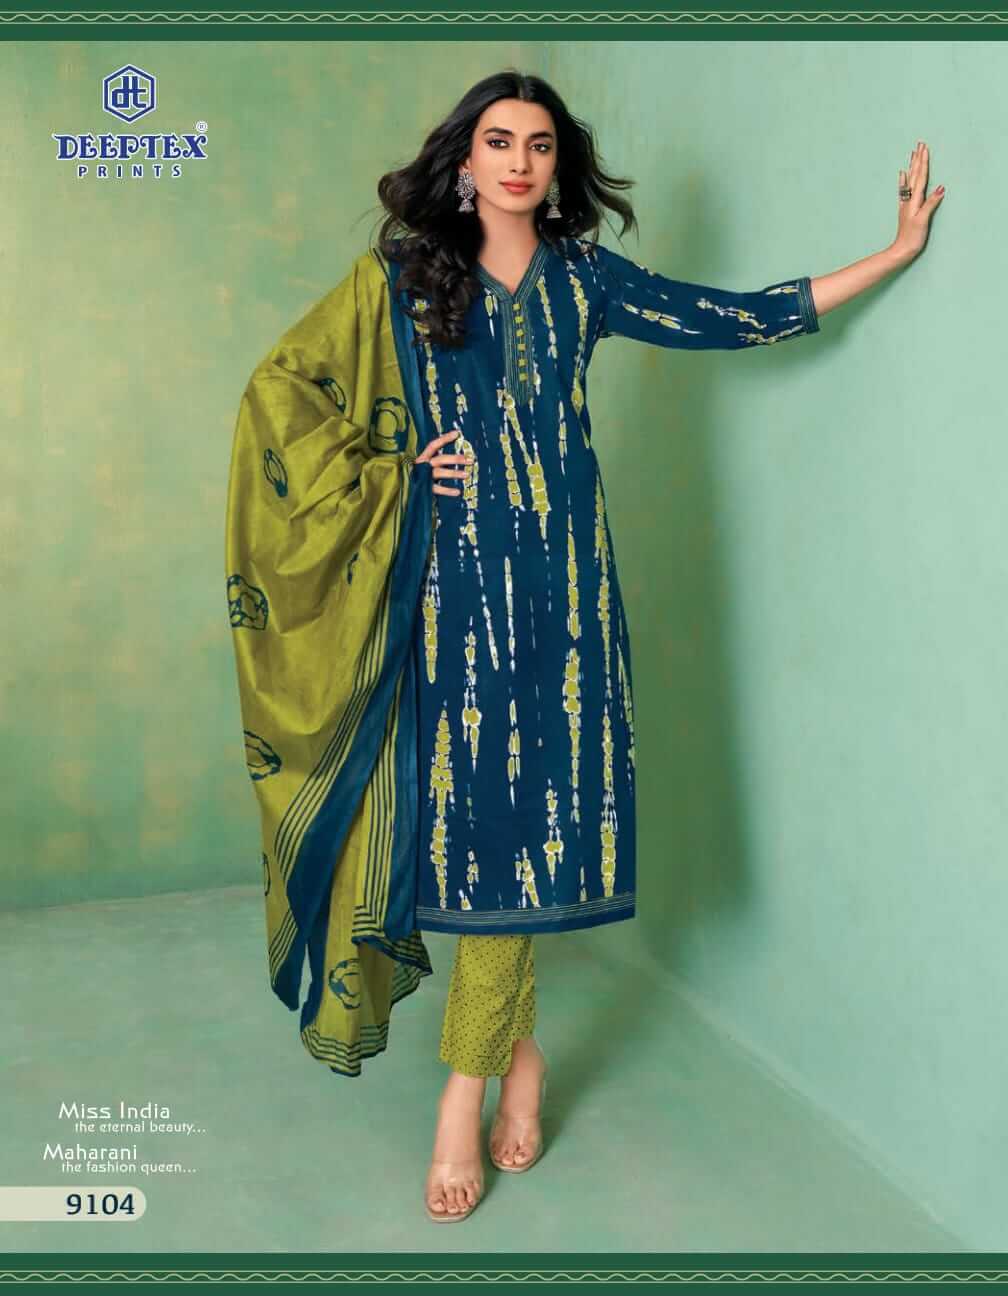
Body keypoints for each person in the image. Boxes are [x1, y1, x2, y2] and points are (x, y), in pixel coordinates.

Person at [227, 68, 943, 1226]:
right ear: (464, 161)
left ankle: (476, 1089)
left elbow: (736, 315)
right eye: (499, 141)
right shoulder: (404, 278)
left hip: (566, 594)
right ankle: (505, 1070)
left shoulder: (583, 278)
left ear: (558, 165)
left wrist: (895, 251)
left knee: (534, 832)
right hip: (452, 594)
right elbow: (284, 395)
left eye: (540, 144)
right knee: (483, 842)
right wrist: (394, 471)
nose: (519, 161)